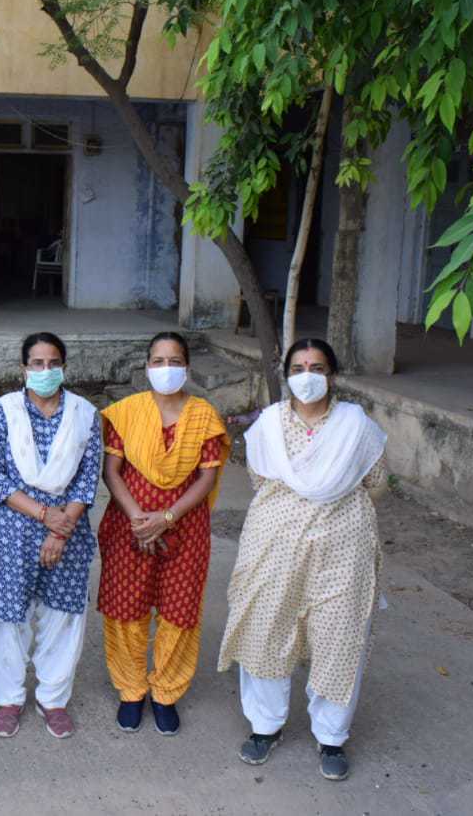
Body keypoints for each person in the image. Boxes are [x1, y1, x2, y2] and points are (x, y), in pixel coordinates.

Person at [217, 339, 388, 782]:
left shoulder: (356, 426)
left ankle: (332, 736)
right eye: (298, 367)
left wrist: (327, 506)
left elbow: (377, 481)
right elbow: (260, 478)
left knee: (339, 636)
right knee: (266, 628)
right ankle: (264, 726)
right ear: (286, 373)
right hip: (273, 547)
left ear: (332, 375)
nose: (307, 375)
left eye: (317, 367)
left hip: (342, 548)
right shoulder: (267, 426)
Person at [98, 332, 230, 735]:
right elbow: (111, 471)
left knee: (179, 611)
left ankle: (166, 692)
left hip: (185, 527)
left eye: (174, 361)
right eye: (158, 361)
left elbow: (207, 478)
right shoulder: (125, 413)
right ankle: (131, 690)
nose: (166, 369)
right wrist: (140, 517)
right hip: (129, 524)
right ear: (146, 367)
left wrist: (167, 517)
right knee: (126, 608)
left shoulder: (204, 416)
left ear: (187, 367)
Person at [0, 332, 102, 739]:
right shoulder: (4, 411)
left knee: (63, 614)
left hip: (68, 532)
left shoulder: (86, 414)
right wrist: (44, 515)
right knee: (8, 614)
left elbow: (88, 479)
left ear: (64, 366)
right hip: (14, 530)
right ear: (24, 368)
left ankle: (53, 698)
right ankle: (10, 697)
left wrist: (60, 529)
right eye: (37, 363)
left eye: (53, 363)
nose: (45, 371)